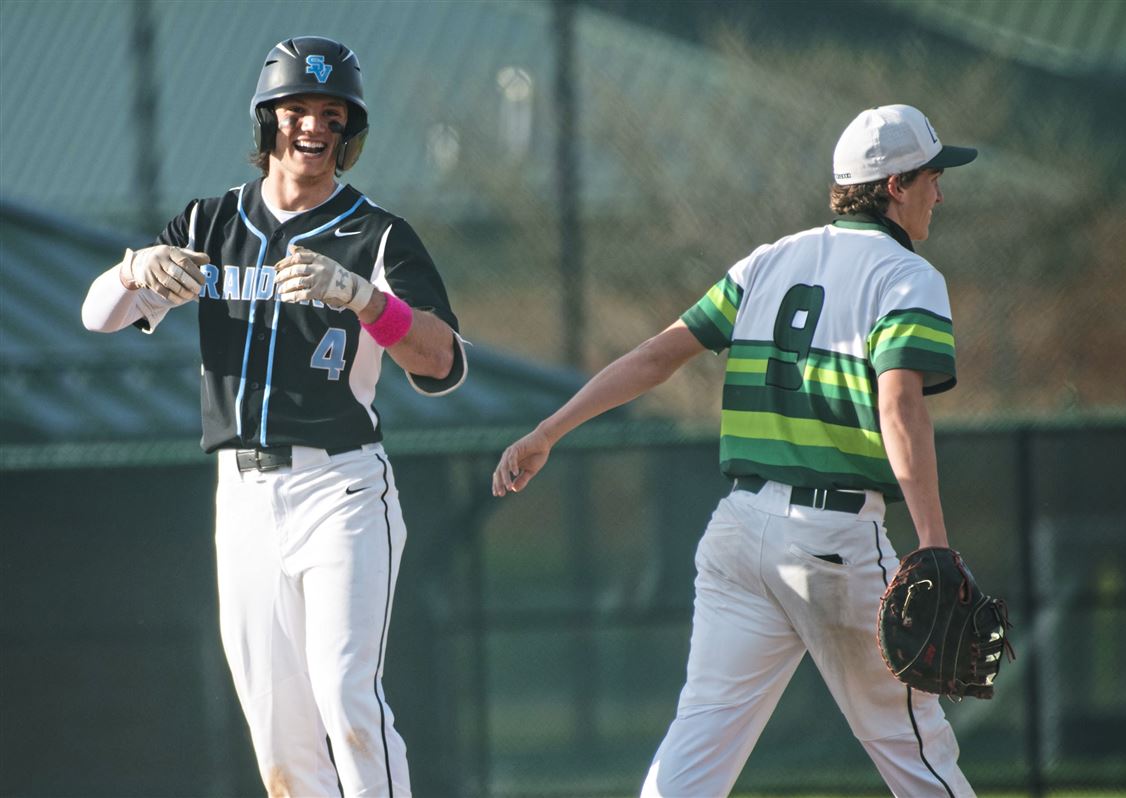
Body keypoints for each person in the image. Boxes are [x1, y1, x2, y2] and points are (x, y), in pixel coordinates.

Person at [492, 104, 979, 797]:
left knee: (697, 748)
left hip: (740, 535)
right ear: (895, 184)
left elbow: (657, 355)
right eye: (933, 175)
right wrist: (932, 545)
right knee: (918, 754)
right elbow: (898, 404)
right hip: (833, 539)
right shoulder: (907, 276)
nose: (941, 191)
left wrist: (549, 431)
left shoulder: (768, 260)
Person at [82, 35, 466, 797]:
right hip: (245, 498)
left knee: (347, 698)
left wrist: (363, 297)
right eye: (297, 109)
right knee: (279, 737)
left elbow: (444, 362)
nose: (314, 127)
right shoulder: (210, 222)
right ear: (268, 120)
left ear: (349, 131)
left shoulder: (376, 234)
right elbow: (98, 317)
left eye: (332, 112)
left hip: (343, 492)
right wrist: (133, 268)